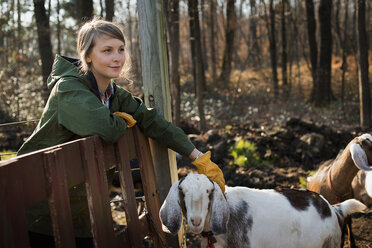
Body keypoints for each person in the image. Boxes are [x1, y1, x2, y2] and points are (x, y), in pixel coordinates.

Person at [18, 17, 225, 247]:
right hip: (36, 205)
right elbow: (104, 128)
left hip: (79, 208)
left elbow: (154, 122)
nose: (117, 57)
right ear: (87, 56)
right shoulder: (69, 89)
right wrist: (120, 121)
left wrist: (199, 157)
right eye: (107, 50)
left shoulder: (113, 93)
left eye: (121, 49)